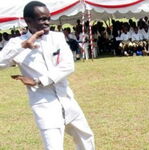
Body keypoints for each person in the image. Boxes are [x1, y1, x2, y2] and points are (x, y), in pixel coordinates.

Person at [0, 1, 95, 149]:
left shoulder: (57, 37)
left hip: (67, 98)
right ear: (28, 21)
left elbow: (68, 66)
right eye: (41, 19)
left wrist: (39, 81)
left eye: (48, 18)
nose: (46, 23)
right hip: (44, 104)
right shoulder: (16, 43)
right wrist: (24, 46)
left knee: (86, 138)